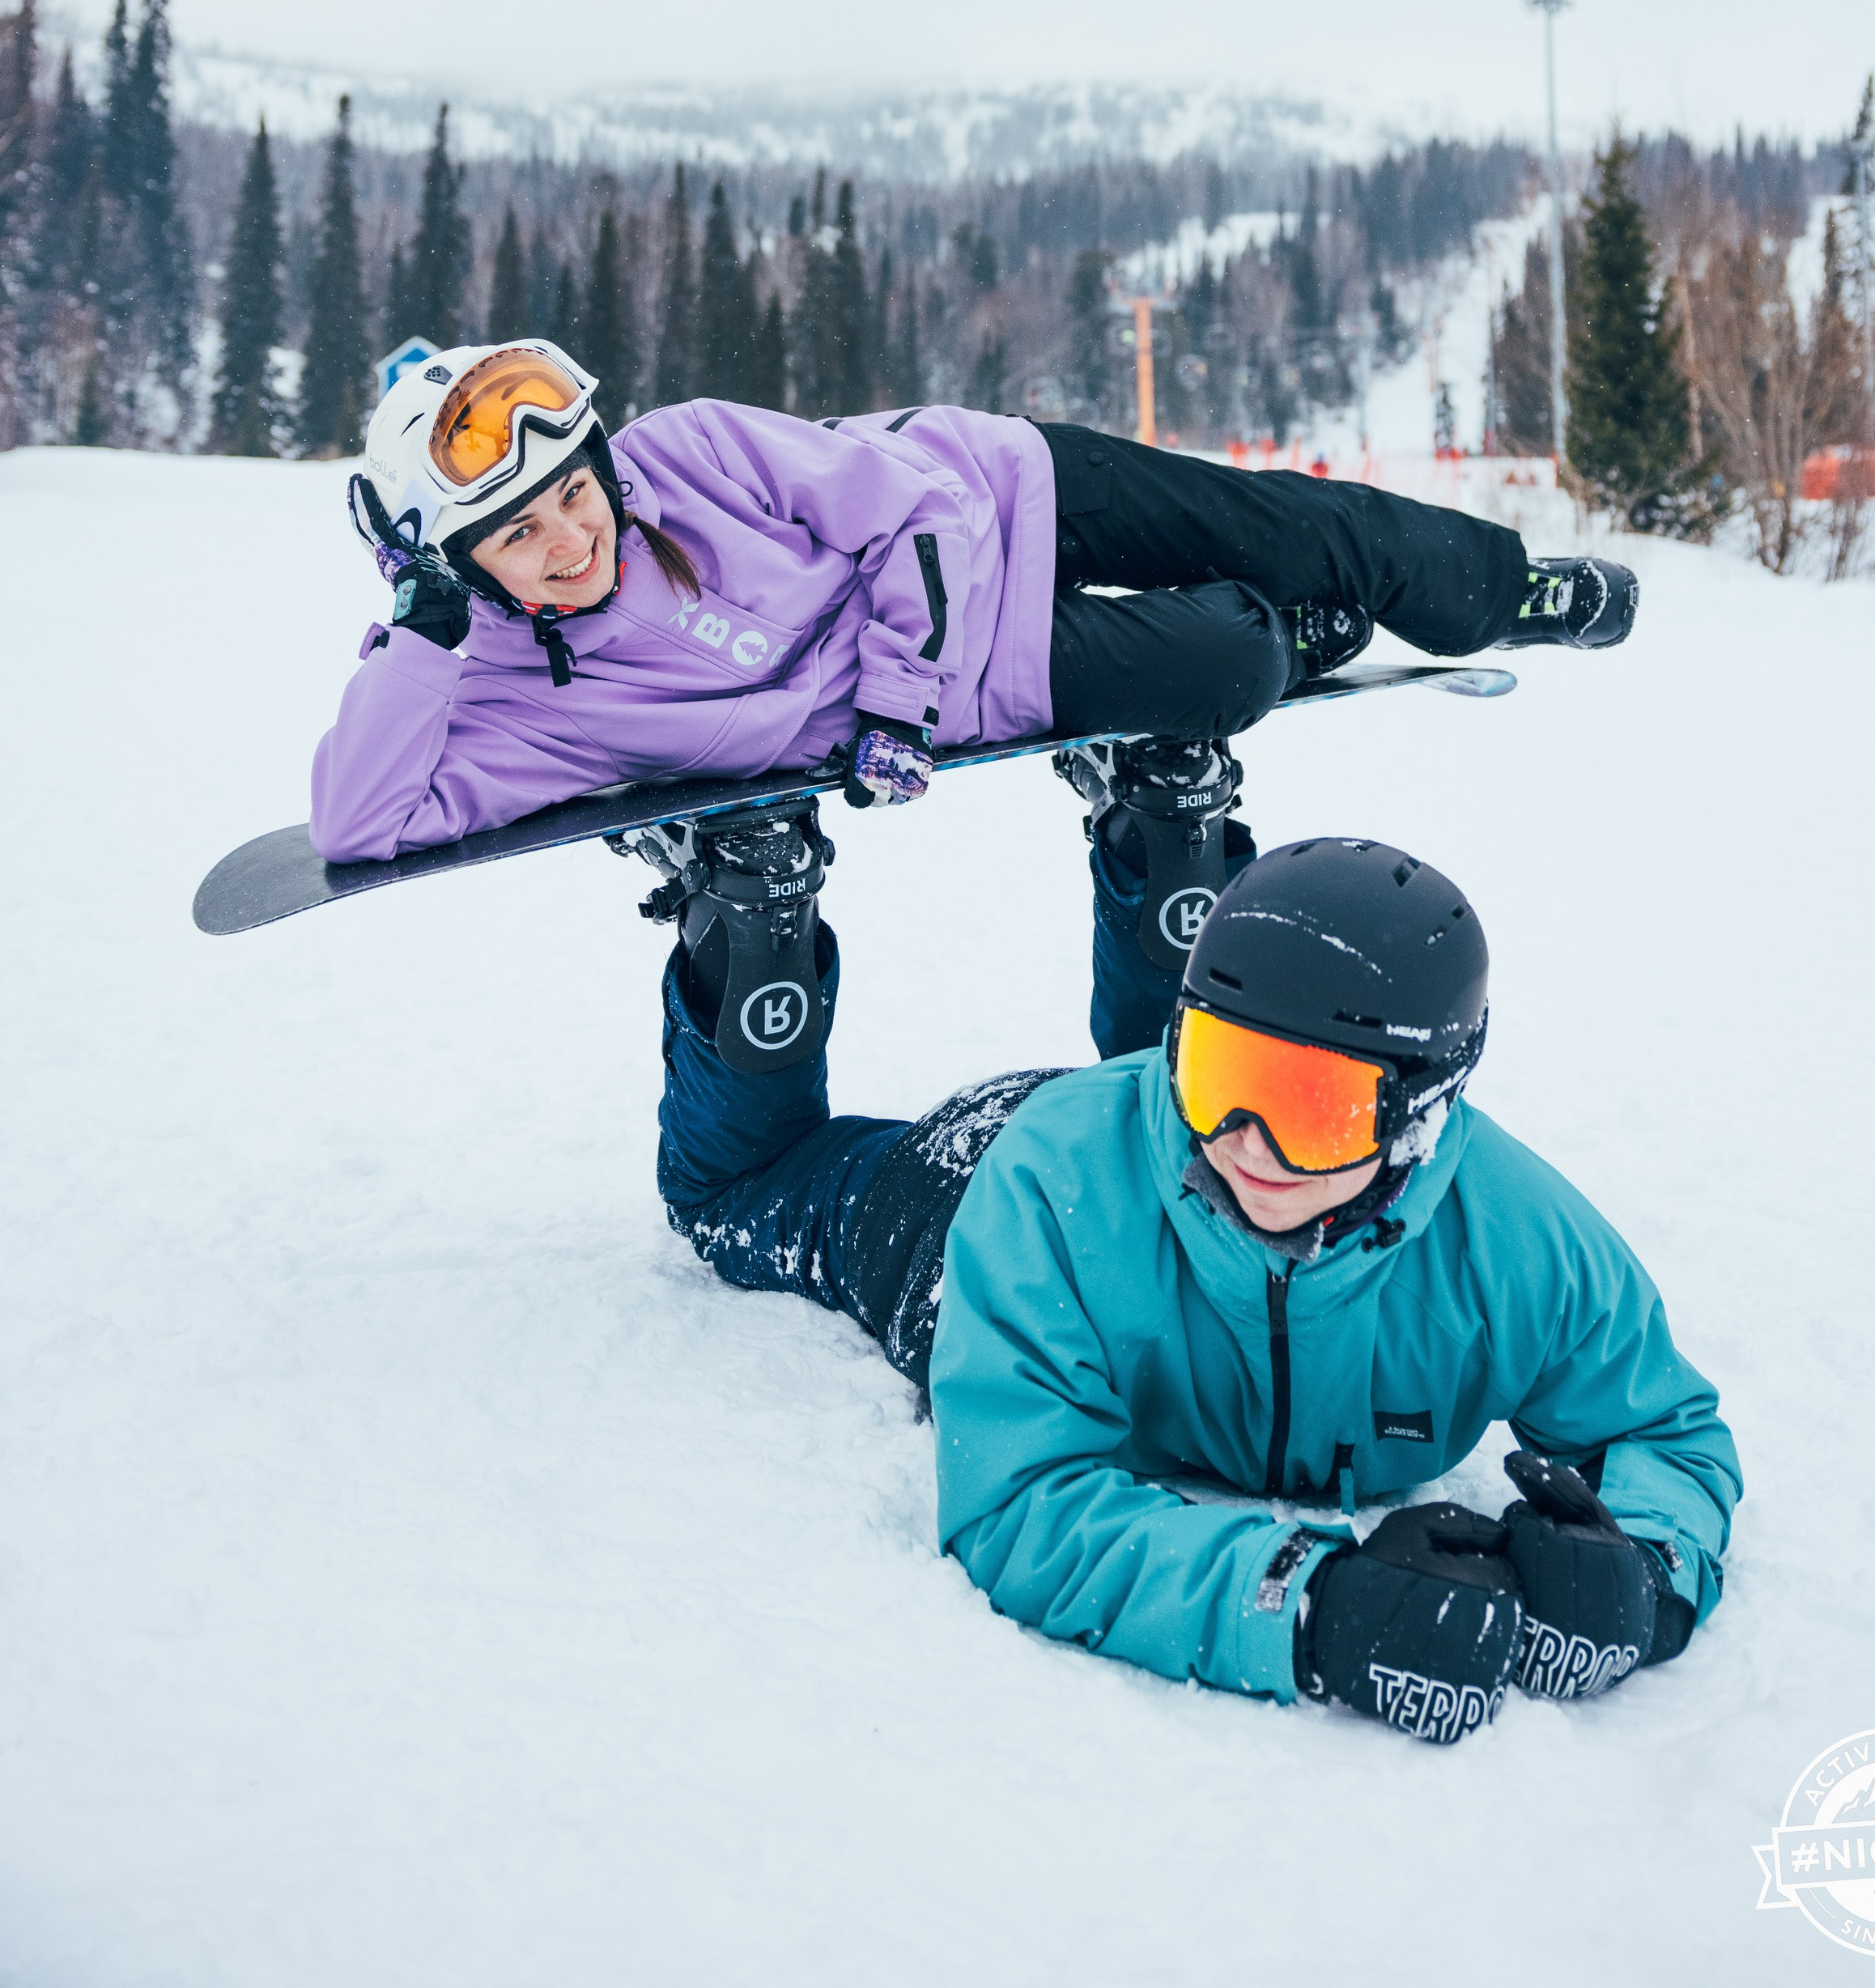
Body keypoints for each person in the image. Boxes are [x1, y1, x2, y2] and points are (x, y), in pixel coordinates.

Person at [658, 826, 1740, 1740]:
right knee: (734, 1193)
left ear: (1420, 1110)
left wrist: (1649, 1569)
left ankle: (1171, 846)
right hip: (968, 1201)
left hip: (1126, 1159)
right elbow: (1021, 1499)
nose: (1250, 1142)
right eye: (1220, 1069)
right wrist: (1307, 1603)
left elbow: (1670, 1430)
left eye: (1312, 1104)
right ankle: (745, 922)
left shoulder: (1513, 1239)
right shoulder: (1042, 1193)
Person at [311, 337, 1635, 864]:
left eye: (573, 495)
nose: (569, 541)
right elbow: (360, 822)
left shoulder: (691, 450)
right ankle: (1295, 635)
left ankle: (1509, 589)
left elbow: (909, 510)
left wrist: (890, 703)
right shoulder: (513, 697)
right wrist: (418, 641)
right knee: (1231, 655)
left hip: (995, 489)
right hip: (984, 670)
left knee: (1298, 524)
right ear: (456, 566)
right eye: (517, 535)